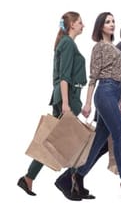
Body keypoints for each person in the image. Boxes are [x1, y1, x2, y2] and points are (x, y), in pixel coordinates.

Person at [58, 13, 121, 201]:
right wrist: (88, 102)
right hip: (104, 93)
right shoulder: (99, 47)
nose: (112, 24)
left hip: (115, 94)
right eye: (107, 22)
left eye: (113, 21)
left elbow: (120, 77)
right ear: (100, 26)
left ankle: (75, 175)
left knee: (99, 141)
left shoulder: (115, 48)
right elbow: (94, 77)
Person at [17, 12, 85, 197]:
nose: (83, 25)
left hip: (68, 97)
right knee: (68, 142)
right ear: (71, 25)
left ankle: (30, 178)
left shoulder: (67, 43)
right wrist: (65, 103)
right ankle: (69, 183)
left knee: (61, 142)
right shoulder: (68, 44)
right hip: (67, 98)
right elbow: (64, 77)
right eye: (80, 22)